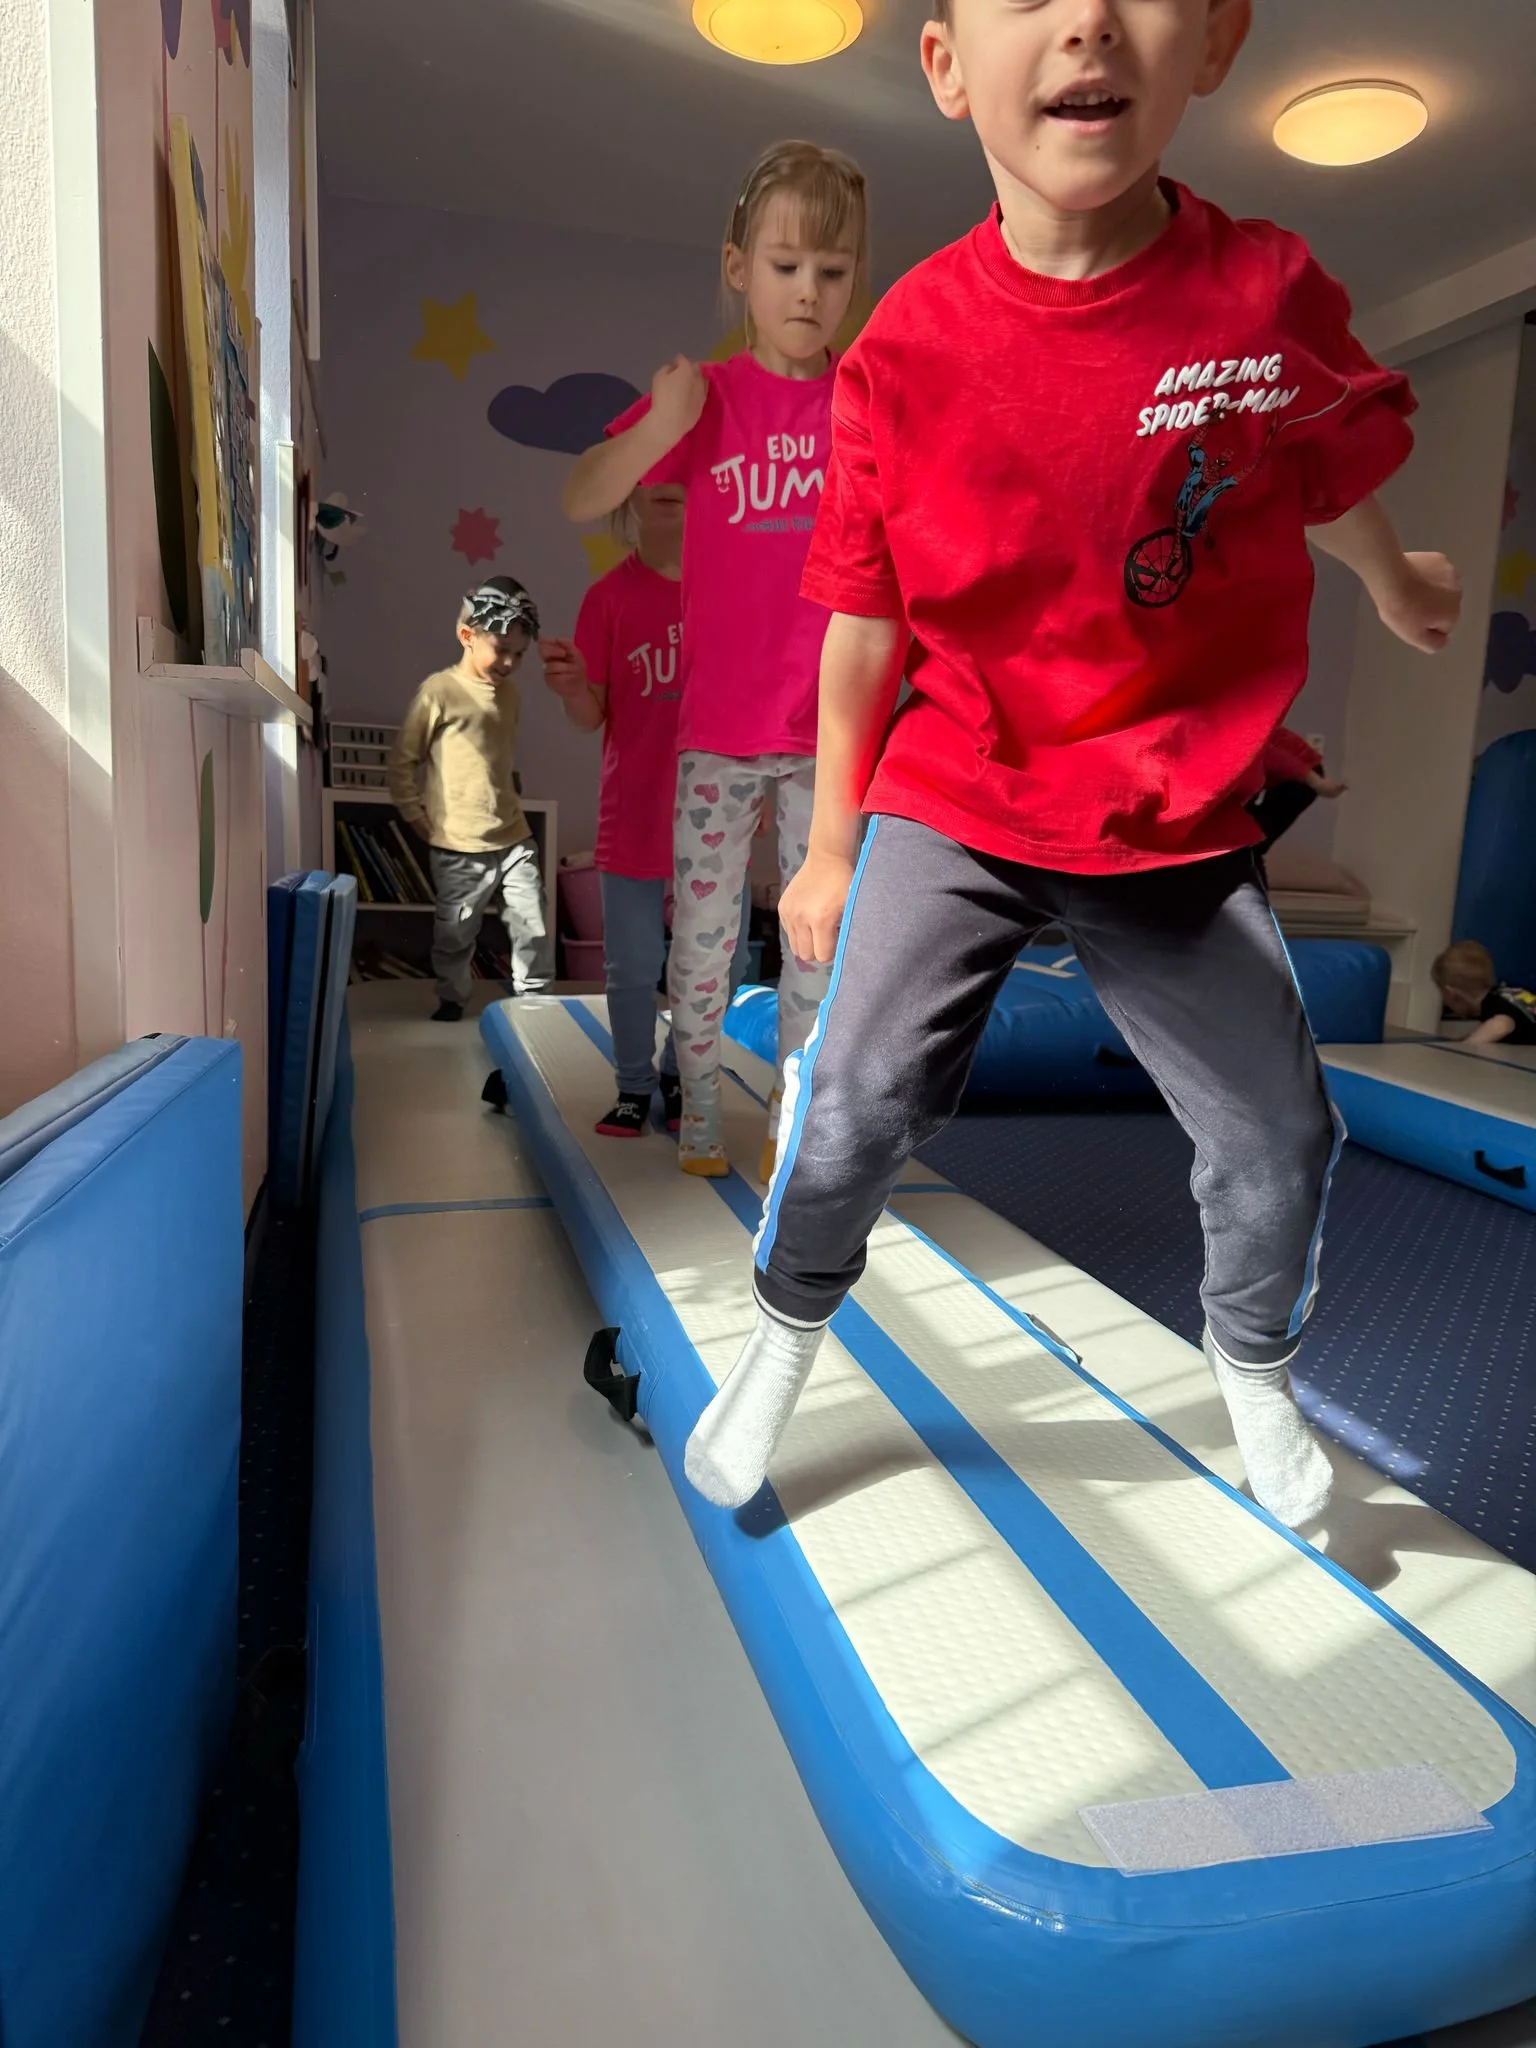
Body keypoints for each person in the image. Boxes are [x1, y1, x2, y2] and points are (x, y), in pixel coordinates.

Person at [682, 0, 1463, 1526]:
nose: (1090, 23)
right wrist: (834, 842)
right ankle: (781, 1337)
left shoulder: (1258, 292)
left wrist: (1389, 578)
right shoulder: (904, 343)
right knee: (851, 1095)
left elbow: (1312, 462)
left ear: (1214, 42)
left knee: (1282, 1128)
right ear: (949, 64)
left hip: (1171, 807)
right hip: (964, 783)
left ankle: (1252, 1366)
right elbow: (859, 626)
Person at [562, 140, 869, 1182]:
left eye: (833, 272)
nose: (809, 292)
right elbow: (580, 494)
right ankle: (697, 1103)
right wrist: (667, 427)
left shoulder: (863, 406)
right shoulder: (715, 399)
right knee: (704, 944)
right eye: (786, 267)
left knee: (817, 951)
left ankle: (796, 1112)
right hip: (720, 733)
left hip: (827, 734)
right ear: (737, 266)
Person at [541, 487, 751, 1136]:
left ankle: (679, 1074)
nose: (670, 483)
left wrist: (761, 792)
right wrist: (575, 688)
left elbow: (753, 705)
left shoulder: (734, 590)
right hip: (634, 812)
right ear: (629, 495)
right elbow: (591, 716)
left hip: (719, 815)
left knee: (724, 963)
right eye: (653, 469)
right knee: (631, 965)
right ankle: (633, 1085)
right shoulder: (609, 598)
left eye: (685, 469)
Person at [387, 575, 554, 1023]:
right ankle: (452, 999)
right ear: (467, 636)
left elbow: (497, 758)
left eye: (519, 654)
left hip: (513, 836)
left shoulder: (512, 695)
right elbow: (403, 761)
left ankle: (534, 1000)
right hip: (458, 844)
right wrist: (417, 817)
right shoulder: (439, 692)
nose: (510, 662)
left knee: (532, 920)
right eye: (501, 649)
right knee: (456, 932)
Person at [1248, 726, 1348, 852]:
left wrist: (1319, 784)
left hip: (1301, 774)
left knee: (1251, 845)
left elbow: (1276, 758)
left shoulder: (1237, 739)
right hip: (1290, 773)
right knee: (1247, 841)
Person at [1432, 941, 1536, 1052]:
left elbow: (1503, 1025)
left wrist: (1464, 1047)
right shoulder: (1504, 994)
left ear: (1452, 994)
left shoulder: (1493, 1005)